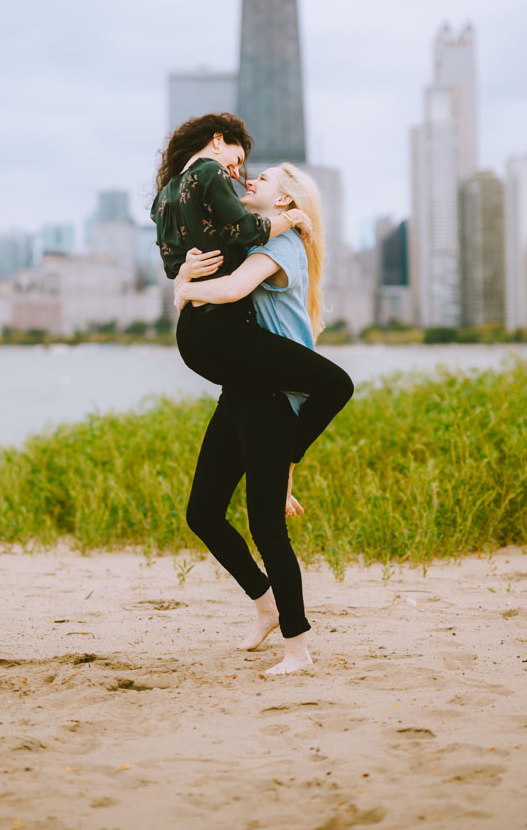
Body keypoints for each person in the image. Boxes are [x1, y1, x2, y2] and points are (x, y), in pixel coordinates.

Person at [173, 163, 327, 675]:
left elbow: (234, 290)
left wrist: (182, 290)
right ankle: (265, 604)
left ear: (284, 202)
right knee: (203, 513)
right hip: (244, 390)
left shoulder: (280, 249)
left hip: (273, 397)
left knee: (265, 527)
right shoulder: (264, 239)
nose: (250, 182)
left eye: (264, 179)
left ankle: (298, 650)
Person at [150, 113, 353, 465]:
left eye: (253, 173)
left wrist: (183, 282)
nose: (237, 174)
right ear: (217, 141)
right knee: (336, 386)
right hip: (230, 334)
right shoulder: (214, 178)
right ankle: (286, 459)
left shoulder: (166, 196)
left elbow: (176, 265)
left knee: (256, 411)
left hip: (195, 337)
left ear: (283, 197)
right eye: (238, 160)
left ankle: (281, 467)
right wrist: (291, 218)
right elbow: (241, 240)